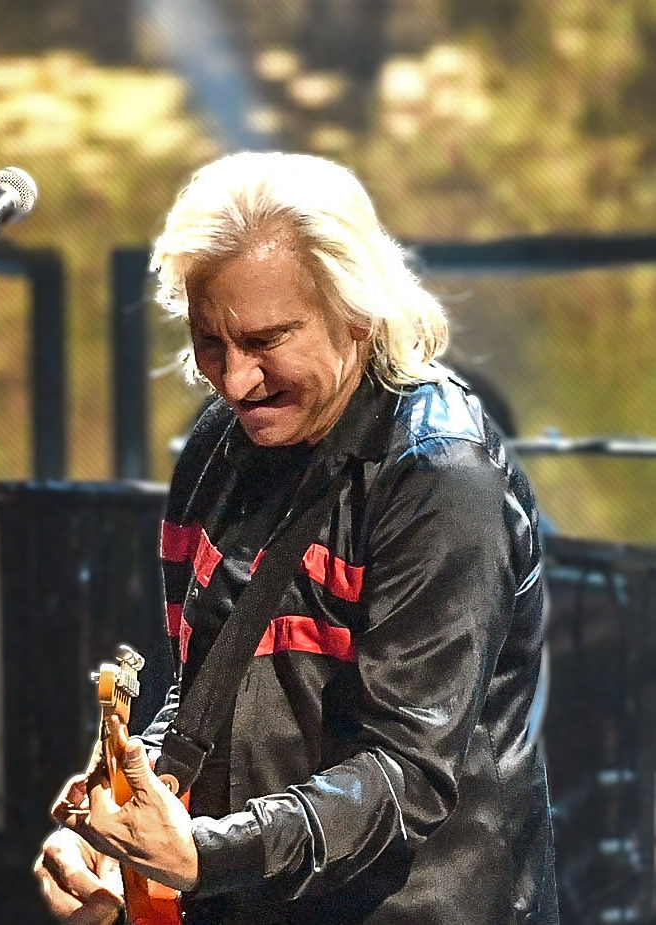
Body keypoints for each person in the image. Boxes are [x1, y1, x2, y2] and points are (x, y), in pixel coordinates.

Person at [34, 151, 556, 924]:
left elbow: (405, 771)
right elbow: (206, 686)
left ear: (358, 309)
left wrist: (202, 855)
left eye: (266, 340)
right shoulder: (220, 446)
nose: (233, 379)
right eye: (209, 340)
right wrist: (124, 833)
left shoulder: (439, 476)